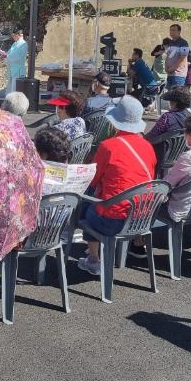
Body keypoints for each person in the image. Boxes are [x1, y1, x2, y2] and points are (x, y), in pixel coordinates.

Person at [77, 96, 157, 276]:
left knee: (86, 208)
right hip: (141, 216)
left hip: (113, 220)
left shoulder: (108, 146)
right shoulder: (147, 146)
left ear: (114, 121)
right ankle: (104, 253)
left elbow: (93, 180)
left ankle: (94, 259)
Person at [163, 23, 190, 88]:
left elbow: (182, 58)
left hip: (179, 75)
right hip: (170, 74)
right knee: (169, 95)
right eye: (171, 30)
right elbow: (167, 56)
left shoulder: (184, 43)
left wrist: (173, 68)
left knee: (176, 95)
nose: (172, 32)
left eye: (174, 30)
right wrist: (166, 68)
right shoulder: (170, 43)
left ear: (179, 31)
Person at [3, 28, 28, 94]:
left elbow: (19, 57)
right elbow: (9, 53)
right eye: (12, 36)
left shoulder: (23, 44)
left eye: (14, 35)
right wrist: (4, 54)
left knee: (15, 90)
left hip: (18, 70)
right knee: (10, 89)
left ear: (18, 35)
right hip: (12, 69)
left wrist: (7, 56)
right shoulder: (14, 44)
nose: (13, 37)